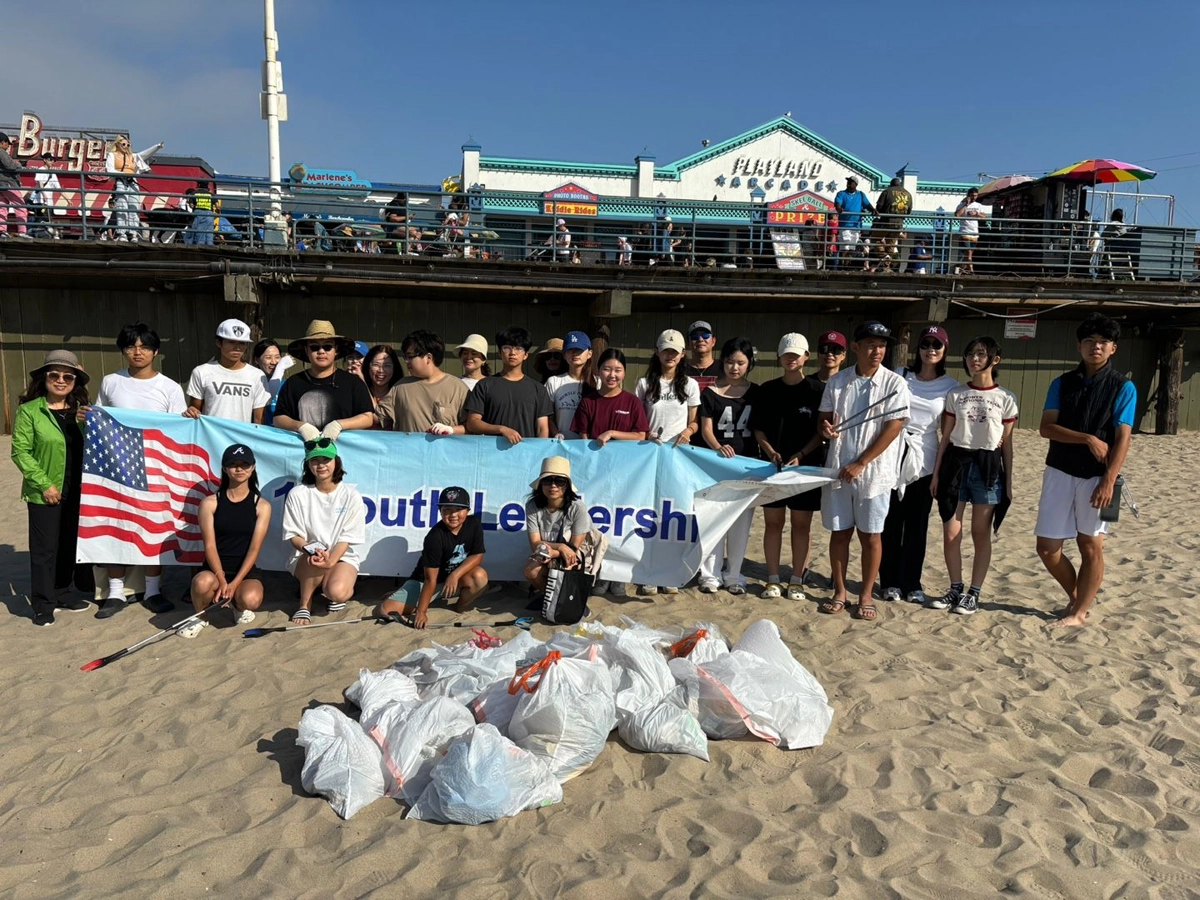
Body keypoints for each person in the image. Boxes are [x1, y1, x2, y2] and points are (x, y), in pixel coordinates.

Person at [1036, 314, 1136, 628]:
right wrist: (1088, 438)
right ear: (1079, 346)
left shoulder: (1124, 386)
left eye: (1103, 342)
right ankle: (1080, 596)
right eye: (1090, 341)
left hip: (1100, 477)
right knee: (1047, 547)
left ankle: (1078, 612)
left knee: (1090, 544)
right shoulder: (1061, 383)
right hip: (1059, 471)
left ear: (1113, 348)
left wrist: (1108, 480)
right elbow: (1046, 428)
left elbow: (1123, 437)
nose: (1096, 347)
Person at [817, 322, 911, 621]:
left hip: (875, 473)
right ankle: (841, 591)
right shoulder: (838, 381)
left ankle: (866, 594)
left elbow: (894, 426)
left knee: (871, 535)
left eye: (882, 345)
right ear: (855, 347)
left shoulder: (895, 383)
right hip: (839, 467)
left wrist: (862, 461)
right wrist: (826, 427)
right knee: (840, 532)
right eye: (870, 344)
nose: (877, 350)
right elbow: (824, 416)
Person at [95, 323, 188, 617]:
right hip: (116, 469)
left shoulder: (170, 387)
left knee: (154, 529)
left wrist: (191, 416)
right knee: (115, 526)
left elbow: (179, 430)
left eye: (144, 347)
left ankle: (152, 590)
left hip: (157, 469)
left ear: (155, 351)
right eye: (131, 346)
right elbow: (100, 421)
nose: (138, 352)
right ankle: (115, 592)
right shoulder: (110, 382)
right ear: (123, 350)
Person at [928, 336, 1017, 616]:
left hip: (988, 469)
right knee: (951, 532)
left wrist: (1009, 483)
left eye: (980, 354)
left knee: (980, 533)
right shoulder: (956, 394)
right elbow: (945, 437)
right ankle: (955, 587)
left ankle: (973, 593)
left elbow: (1008, 445)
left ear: (995, 359)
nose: (974, 360)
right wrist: (937, 473)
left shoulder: (1006, 398)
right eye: (969, 355)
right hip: (956, 465)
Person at [10, 350, 93, 626]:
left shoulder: (82, 412)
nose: (60, 380)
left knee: (69, 543)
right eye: (54, 375)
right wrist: (45, 484)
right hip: (45, 490)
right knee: (45, 548)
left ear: (74, 381)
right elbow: (20, 452)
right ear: (44, 378)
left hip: (77, 489)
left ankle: (63, 591)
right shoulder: (29, 411)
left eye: (67, 376)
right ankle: (43, 603)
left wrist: (87, 423)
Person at [879, 326, 960, 606]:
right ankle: (888, 581)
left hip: (925, 459)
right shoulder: (901, 375)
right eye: (926, 344)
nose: (931, 349)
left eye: (937, 344)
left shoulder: (950, 386)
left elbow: (950, 432)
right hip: (892, 453)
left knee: (917, 525)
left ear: (945, 349)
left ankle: (911, 581)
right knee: (890, 523)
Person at [750, 333, 830, 601]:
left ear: (806, 357)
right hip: (773, 467)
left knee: (801, 525)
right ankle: (772, 578)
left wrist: (801, 454)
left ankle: (796, 579)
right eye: (787, 354)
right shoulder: (767, 390)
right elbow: (758, 429)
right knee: (773, 524)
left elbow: (821, 431)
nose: (791, 359)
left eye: (797, 354)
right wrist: (771, 451)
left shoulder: (818, 391)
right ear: (779, 357)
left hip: (805, 467)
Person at [180, 444, 272, 638]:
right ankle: (201, 616)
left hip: (244, 571)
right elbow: (210, 546)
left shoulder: (261, 505)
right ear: (224, 469)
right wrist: (221, 579)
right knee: (202, 582)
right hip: (215, 569)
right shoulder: (210, 503)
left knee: (252, 599)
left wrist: (235, 582)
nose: (239, 469)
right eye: (233, 464)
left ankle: (237, 607)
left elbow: (254, 549)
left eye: (244, 464)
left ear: (253, 467)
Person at [698, 337, 760, 594]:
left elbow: (759, 429)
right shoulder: (710, 393)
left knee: (740, 523)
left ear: (749, 364)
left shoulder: (756, 393)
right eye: (730, 362)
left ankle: (734, 574)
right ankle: (709, 575)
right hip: (716, 466)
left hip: (746, 466)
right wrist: (717, 448)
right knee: (714, 520)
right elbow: (706, 429)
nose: (734, 367)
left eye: (740, 363)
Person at [282, 440, 366, 624]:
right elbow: (294, 535)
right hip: (309, 556)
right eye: (314, 461)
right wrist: (310, 550)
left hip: (341, 556)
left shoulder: (351, 495)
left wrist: (332, 559)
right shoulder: (298, 493)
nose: (321, 465)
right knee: (315, 558)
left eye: (326, 459)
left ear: (336, 461)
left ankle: (330, 586)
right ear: (308, 464)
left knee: (337, 593)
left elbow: (348, 537)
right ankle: (305, 605)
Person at [381, 486, 489, 629]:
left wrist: (455, 575)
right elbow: (430, 579)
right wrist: (421, 612)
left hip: (453, 580)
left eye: (458, 509)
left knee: (480, 576)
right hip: (425, 582)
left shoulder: (474, 523)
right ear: (440, 511)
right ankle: (408, 596)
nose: (453, 515)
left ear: (467, 511)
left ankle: (459, 607)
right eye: (447, 510)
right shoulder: (434, 537)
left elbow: (477, 555)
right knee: (386, 610)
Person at [274, 320, 376, 441]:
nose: (321, 351)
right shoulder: (293, 383)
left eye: (327, 346)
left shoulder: (353, 383)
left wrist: (340, 425)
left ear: (336, 350)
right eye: (315, 347)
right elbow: (278, 418)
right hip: (304, 454)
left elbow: (367, 417)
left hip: (344, 455)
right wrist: (301, 426)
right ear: (307, 350)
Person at [464, 326, 554, 443]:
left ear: (526, 355)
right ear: (499, 353)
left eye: (518, 348)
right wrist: (501, 429)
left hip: (526, 456)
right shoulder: (484, 385)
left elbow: (542, 428)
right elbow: (472, 423)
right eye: (507, 348)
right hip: (491, 454)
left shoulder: (538, 389)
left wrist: (539, 453)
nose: (512, 353)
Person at [522, 457, 591, 595]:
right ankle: (549, 598)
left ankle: (564, 600)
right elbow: (534, 543)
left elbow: (574, 547)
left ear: (567, 485)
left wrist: (555, 552)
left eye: (559, 481)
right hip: (548, 553)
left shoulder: (578, 508)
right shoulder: (532, 506)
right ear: (540, 484)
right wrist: (560, 547)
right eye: (547, 480)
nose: (553, 486)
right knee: (530, 569)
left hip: (574, 556)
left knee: (567, 564)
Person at [379, 330, 470, 434]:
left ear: (428, 357)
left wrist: (452, 430)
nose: (406, 361)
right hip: (409, 449)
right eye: (405, 357)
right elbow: (377, 418)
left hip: (444, 450)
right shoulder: (400, 387)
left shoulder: (458, 388)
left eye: (410, 356)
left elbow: (471, 428)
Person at [184, 319, 271, 423]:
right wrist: (191, 412)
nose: (237, 347)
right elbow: (195, 411)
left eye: (242, 343)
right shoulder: (201, 372)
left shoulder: (257, 376)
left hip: (241, 438)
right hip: (209, 438)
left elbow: (259, 419)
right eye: (231, 342)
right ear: (219, 343)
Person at [637, 329, 701, 447]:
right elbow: (637, 419)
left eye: (674, 351)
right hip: (649, 447)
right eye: (666, 350)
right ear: (657, 352)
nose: (670, 355)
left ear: (682, 353)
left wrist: (688, 432)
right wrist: (647, 434)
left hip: (679, 449)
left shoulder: (691, 384)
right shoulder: (644, 383)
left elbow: (694, 422)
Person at [572, 348, 648, 445]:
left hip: (626, 458)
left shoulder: (633, 402)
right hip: (595, 458)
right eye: (607, 369)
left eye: (618, 370)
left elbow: (641, 436)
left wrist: (612, 433)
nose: (612, 375)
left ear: (624, 373)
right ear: (599, 370)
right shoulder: (588, 402)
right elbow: (584, 439)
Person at [105, 134, 163, 242]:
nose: (126, 146)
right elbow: (109, 169)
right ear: (117, 144)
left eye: (128, 144)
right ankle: (122, 233)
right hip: (121, 181)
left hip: (132, 182)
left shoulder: (133, 156)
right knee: (122, 207)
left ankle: (133, 233)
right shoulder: (112, 155)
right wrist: (122, 174)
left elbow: (144, 154)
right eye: (123, 144)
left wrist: (157, 146)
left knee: (134, 207)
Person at [546, 330, 595, 439]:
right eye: (570, 350)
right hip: (561, 446)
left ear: (589, 353)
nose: (574, 353)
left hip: (590, 447)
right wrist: (555, 433)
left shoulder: (599, 383)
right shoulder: (553, 382)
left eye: (579, 350)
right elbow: (548, 416)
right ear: (564, 354)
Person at [834, 176, 876, 267]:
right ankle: (842, 266)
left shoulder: (860, 195)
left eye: (851, 182)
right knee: (845, 246)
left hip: (856, 225)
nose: (849, 183)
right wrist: (838, 208)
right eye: (848, 181)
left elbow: (867, 204)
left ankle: (848, 266)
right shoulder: (841, 193)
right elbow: (837, 203)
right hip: (845, 225)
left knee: (852, 248)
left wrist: (873, 209)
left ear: (856, 184)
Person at [872, 177, 913, 272]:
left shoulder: (887, 191)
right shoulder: (908, 194)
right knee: (891, 246)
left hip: (886, 221)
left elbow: (879, 207)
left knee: (875, 239)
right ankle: (887, 267)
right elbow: (909, 210)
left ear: (891, 184)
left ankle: (884, 256)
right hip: (899, 224)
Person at [252, 338, 294, 426]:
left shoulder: (287, 385)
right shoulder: (251, 383)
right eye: (268, 357)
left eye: (277, 357)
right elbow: (266, 397)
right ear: (256, 360)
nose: (274, 362)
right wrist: (280, 369)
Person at [0, 132, 30, 240]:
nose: (8, 146)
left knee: (2, 207)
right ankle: (22, 232)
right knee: (20, 206)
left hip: (1, 185)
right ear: (2, 142)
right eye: (7, 144)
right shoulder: (1, 152)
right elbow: (9, 165)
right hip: (8, 183)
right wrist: (18, 164)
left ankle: (2, 231)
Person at [362, 344, 403, 416]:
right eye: (375, 365)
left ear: (394, 368)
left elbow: (379, 417)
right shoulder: (357, 391)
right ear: (368, 366)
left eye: (387, 366)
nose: (381, 370)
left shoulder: (400, 394)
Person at [955, 187, 987, 274]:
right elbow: (957, 215)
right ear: (968, 195)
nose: (974, 197)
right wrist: (966, 204)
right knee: (968, 253)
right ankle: (971, 270)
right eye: (972, 195)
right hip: (965, 231)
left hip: (974, 232)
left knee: (968, 255)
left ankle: (958, 270)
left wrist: (976, 214)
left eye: (975, 196)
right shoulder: (961, 205)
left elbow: (984, 217)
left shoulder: (978, 205)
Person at [184, 181, 214, 246]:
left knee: (196, 229)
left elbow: (191, 205)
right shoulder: (211, 194)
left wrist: (191, 204)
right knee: (209, 231)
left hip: (197, 212)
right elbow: (218, 206)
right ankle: (209, 244)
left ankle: (193, 244)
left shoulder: (194, 193)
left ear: (199, 185)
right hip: (209, 214)